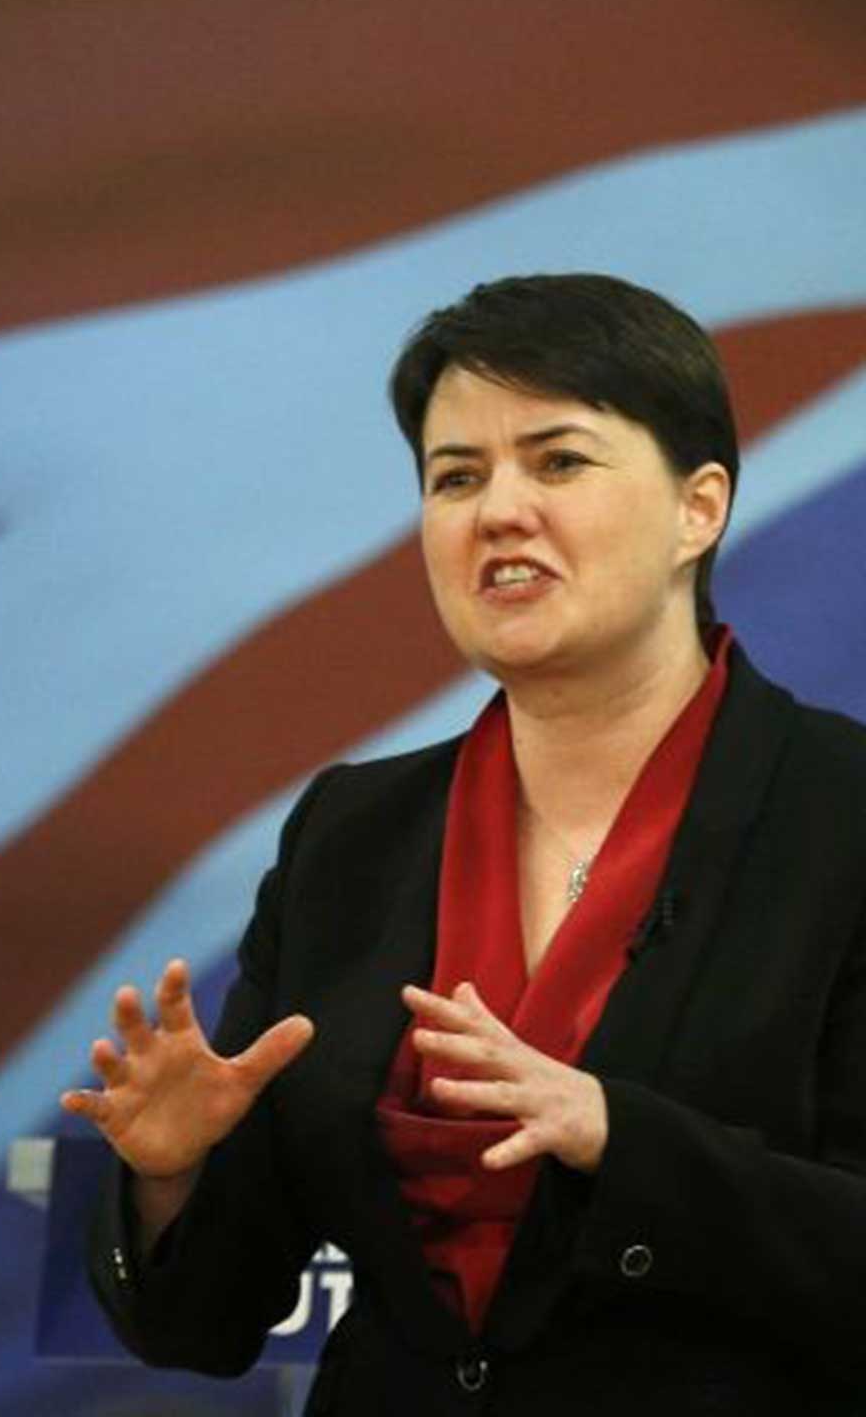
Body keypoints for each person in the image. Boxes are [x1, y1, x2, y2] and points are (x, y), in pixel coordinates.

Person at [63, 274, 866, 1412]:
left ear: (698, 509)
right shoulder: (352, 832)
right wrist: (168, 1176)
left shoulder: (841, 815)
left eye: (557, 461)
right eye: (455, 478)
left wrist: (612, 1137)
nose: (496, 512)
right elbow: (207, 1321)